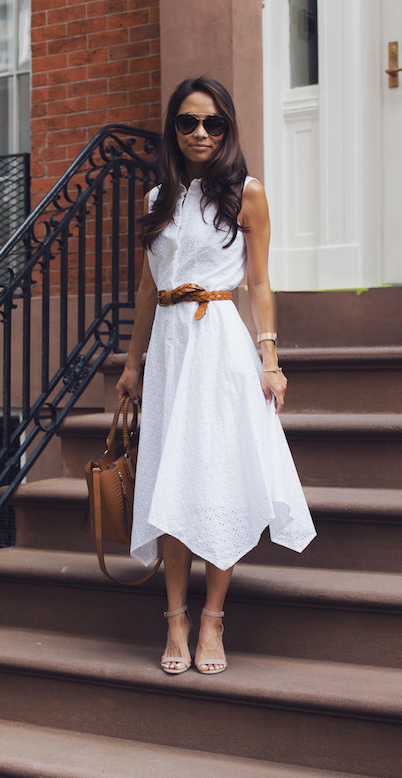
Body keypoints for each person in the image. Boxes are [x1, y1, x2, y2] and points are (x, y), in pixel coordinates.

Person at [116, 76, 316, 676]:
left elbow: (258, 283)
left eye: (213, 123)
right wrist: (131, 362)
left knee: (220, 478)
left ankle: (212, 621)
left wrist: (271, 359)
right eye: (187, 122)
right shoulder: (158, 199)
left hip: (222, 343)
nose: (200, 133)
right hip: (172, 352)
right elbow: (150, 287)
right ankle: (175, 617)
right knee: (173, 482)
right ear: (173, 130)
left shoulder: (246, 194)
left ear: (227, 129)